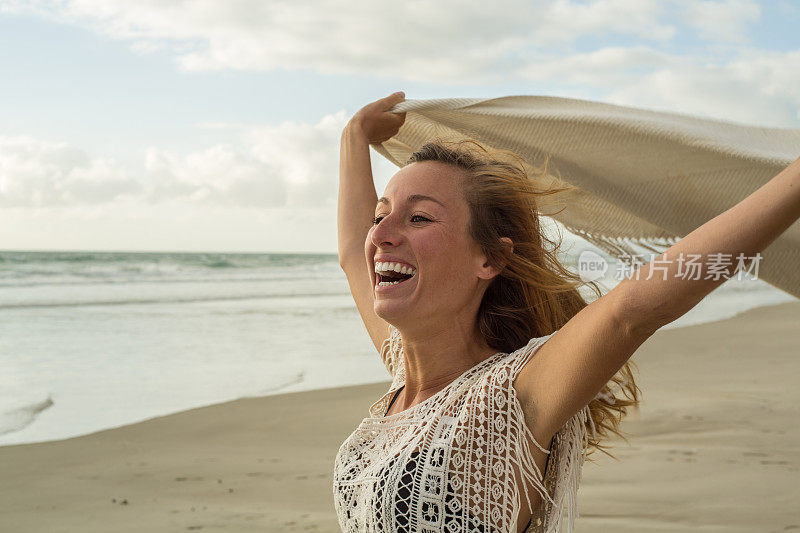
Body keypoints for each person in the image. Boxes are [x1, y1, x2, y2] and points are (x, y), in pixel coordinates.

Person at [332, 91, 800, 532]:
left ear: (490, 259)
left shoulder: (508, 398)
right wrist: (354, 134)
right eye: (381, 216)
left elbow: (628, 313)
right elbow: (354, 249)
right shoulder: (403, 376)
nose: (383, 235)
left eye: (419, 218)